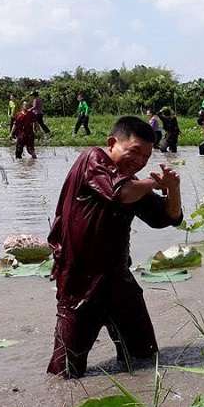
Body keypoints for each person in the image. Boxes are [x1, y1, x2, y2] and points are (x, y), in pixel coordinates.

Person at [46, 116, 183, 378]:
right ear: (112, 143)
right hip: (80, 283)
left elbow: (168, 218)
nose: (140, 161)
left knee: (144, 358)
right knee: (65, 374)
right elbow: (120, 192)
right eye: (134, 152)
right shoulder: (92, 159)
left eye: (146, 156)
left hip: (119, 280)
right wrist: (156, 183)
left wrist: (173, 189)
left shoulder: (133, 182)